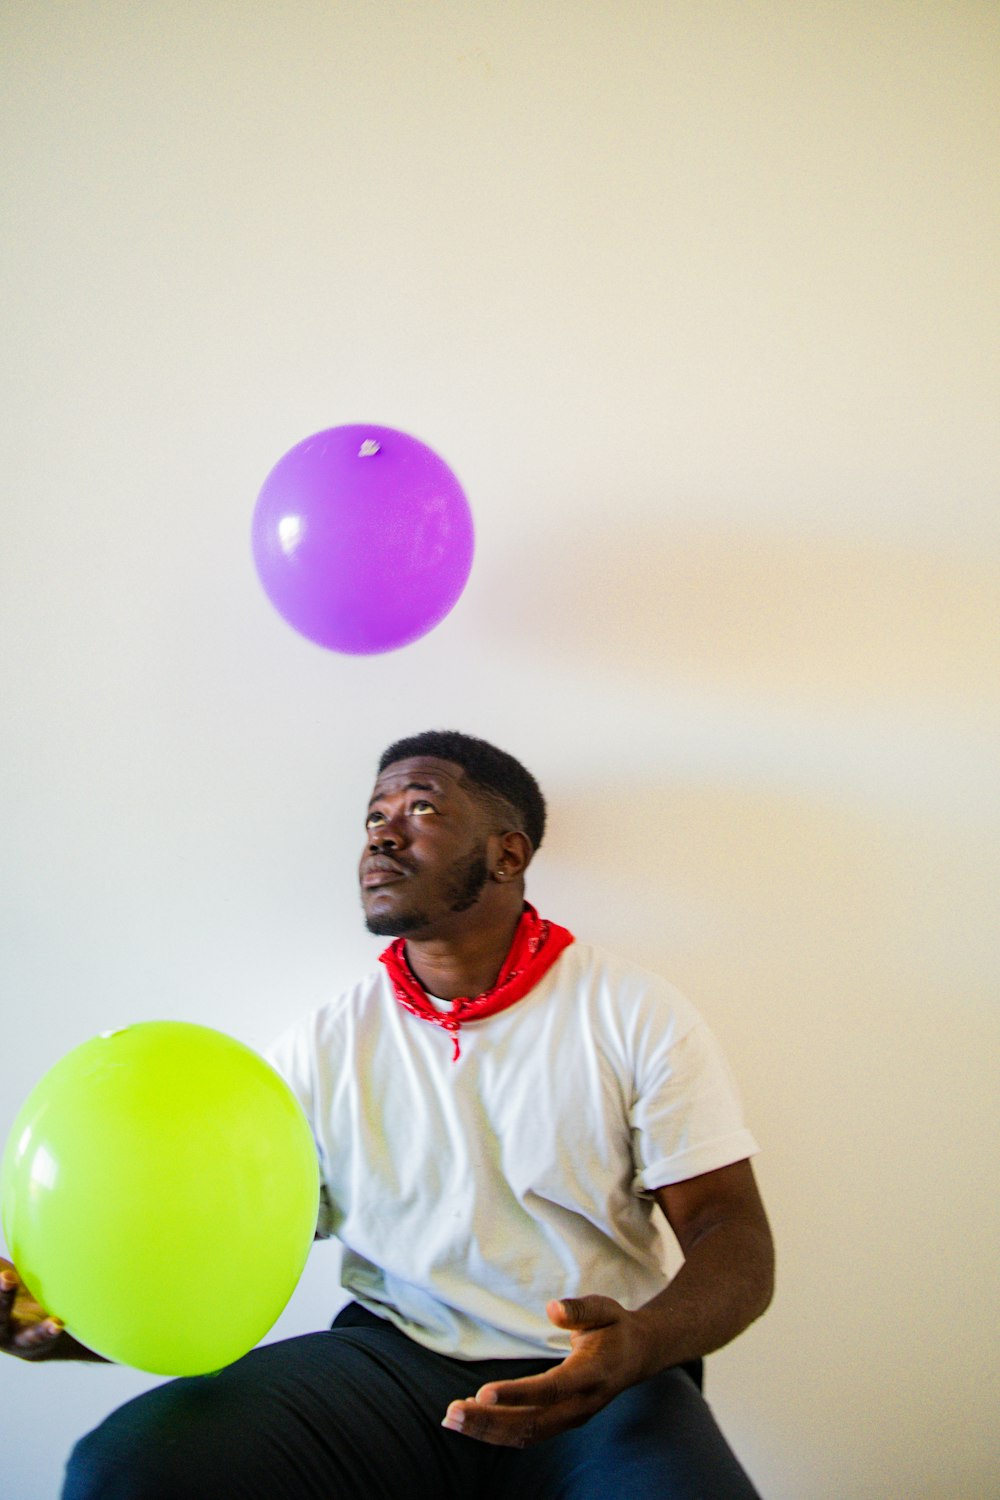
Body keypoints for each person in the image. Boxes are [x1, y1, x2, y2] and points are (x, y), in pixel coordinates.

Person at [1, 730, 774, 1498]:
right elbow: (212, 1259)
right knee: (129, 1470)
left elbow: (731, 1234)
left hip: (603, 1381)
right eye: (374, 817)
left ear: (508, 855)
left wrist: (640, 1345)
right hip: (393, 1366)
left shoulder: (634, 1013)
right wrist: (76, 1328)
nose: (383, 835)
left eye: (421, 808)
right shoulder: (321, 1047)